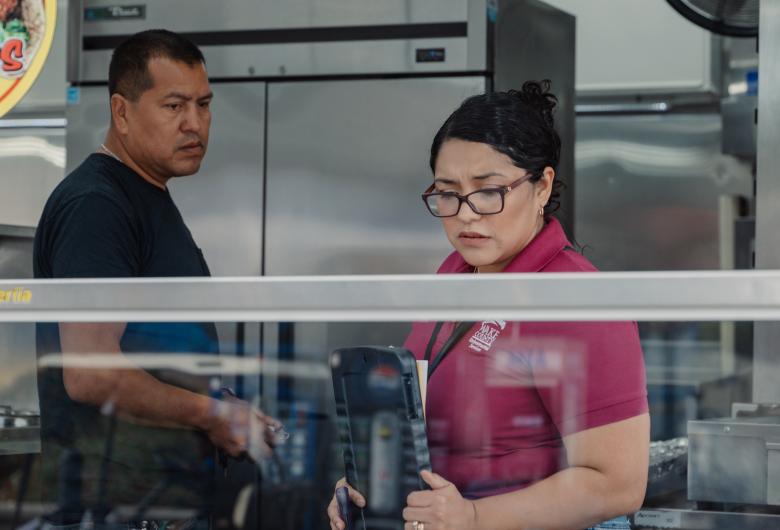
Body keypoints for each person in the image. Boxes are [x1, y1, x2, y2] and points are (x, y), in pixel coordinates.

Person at [327, 81, 649, 530]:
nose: (465, 213)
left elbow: (617, 484)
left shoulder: (574, 298)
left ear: (542, 187)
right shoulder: (455, 273)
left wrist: (475, 516)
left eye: (488, 191)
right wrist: (373, 486)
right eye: (447, 192)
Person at [34, 29, 278, 525]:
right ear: (121, 112)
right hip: (113, 510)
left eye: (204, 105)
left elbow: (151, 352)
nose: (195, 123)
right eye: (174, 106)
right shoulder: (97, 205)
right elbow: (91, 374)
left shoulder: (147, 195)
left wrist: (218, 401)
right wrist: (213, 414)